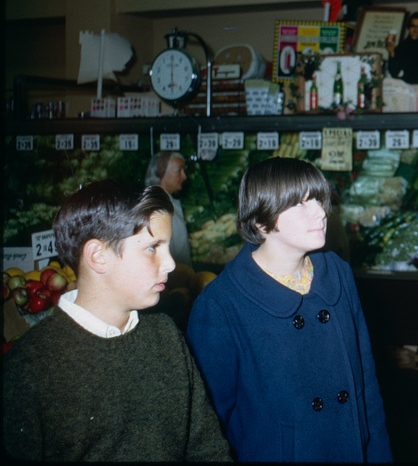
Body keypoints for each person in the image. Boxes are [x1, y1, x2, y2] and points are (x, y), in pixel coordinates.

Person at [3, 180, 232, 462]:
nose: (171, 263)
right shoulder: (28, 369)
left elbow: (207, 448)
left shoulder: (165, 336)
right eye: (152, 247)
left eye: (167, 247)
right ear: (98, 256)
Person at [185, 157, 392, 462]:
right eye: (300, 203)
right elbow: (207, 424)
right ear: (260, 221)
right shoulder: (221, 304)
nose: (320, 213)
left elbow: (366, 386)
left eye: (319, 200)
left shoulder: (337, 274)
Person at [145, 150, 193, 268]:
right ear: (162, 173)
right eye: (179, 171)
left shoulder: (166, 201)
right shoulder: (158, 206)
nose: (184, 176)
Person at [386, 10, 418, 83]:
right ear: (408, 27)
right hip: (409, 87)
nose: (416, 30)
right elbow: (394, 72)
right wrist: (392, 53)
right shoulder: (402, 47)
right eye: (413, 26)